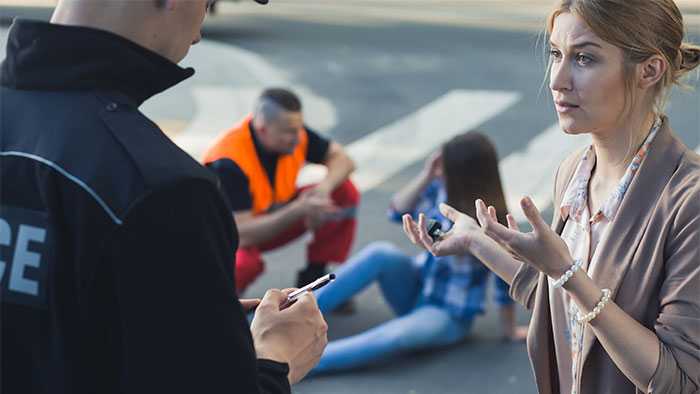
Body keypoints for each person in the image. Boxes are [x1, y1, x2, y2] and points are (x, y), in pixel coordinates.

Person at [0, 1, 327, 394]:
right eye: (206, 3)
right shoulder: (162, 188)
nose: (199, 31)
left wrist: (187, 312)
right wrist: (277, 360)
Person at [403, 1, 700, 393]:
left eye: (584, 58)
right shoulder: (573, 172)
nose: (558, 80)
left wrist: (568, 275)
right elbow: (553, 303)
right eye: (556, 54)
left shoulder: (688, 201)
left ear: (649, 70)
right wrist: (477, 240)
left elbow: (679, 379)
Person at [309, 132, 528, 374]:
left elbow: (504, 283)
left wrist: (509, 330)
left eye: (445, 167)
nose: (440, 171)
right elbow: (395, 210)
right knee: (380, 253)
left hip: (447, 314)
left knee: (395, 334)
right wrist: (426, 175)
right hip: (417, 286)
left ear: (465, 175)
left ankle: (296, 364)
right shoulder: (439, 189)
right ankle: (287, 314)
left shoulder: (490, 219)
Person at [203, 88, 359, 293]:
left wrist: (322, 190)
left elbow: (344, 161)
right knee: (243, 264)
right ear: (262, 129)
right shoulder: (228, 162)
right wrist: (299, 208)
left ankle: (315, 279)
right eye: (288, 131)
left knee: (344, 192)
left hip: (272, 216)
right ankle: (222, 309)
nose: (297, 137)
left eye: (299, 128)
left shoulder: (295, 134)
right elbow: (242, 235)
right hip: (227, 238)